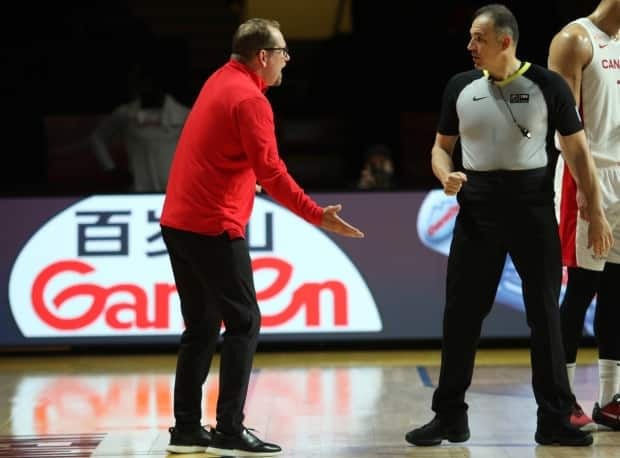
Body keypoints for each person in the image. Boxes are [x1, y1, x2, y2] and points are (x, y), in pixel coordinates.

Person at [405, 4, 613, 447]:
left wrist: (594, 213)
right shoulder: (459, 87)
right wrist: (446, 175)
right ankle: (449, 417)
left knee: (544, 316)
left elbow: (578, 155)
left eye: (478, 37)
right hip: (477, 208)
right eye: (469, 37)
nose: (470, 46)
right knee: (461, 318)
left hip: (533, 207)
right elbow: (440, 150)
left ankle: (554, 418)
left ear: (505, 40)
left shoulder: (548, 85)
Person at [160, 18, 364, 456]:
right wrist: (316, 215)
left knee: (199, 325)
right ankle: (229, 428)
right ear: (263, 57)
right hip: (212, 225)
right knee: (244, 321)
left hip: (178, 222)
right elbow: (272, 171)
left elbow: (216, 150)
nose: (288, 59)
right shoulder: (251, 100)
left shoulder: (220, 79)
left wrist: (241, 178)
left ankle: (186, 428)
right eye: (284, 51)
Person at [548, 0, 620, 431]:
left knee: (618, 286)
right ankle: (560, 400)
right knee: (581, 288)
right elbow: (565, 129)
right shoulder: (574, 40)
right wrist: (592, 200)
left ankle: (611, 398)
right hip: (586, 174)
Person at [91, 60, 190, 192]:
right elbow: (97, 139)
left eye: (152, 82)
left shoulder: (184, 115)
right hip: (137, 191)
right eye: (143, 81)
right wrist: (111, 169)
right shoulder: (125, 114)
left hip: (172, 193)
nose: (148, 87)